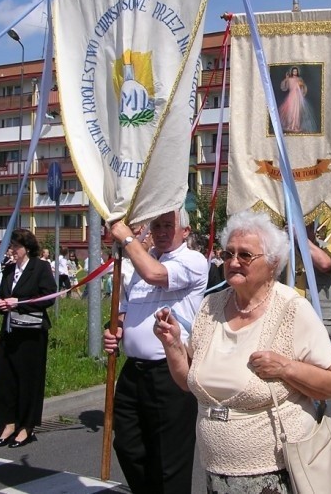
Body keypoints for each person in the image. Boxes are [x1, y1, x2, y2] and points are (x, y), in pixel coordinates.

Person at [152, 210, 331, 492]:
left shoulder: (292, 308)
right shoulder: (211, 306)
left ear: (272, 263)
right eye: (228, 253)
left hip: (275, 474)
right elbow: (188, 381)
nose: (233, 262)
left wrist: (285, 368)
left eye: (245, 255)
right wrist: (172, 345)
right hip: (216, 472)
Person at [104, 208, 208, 493]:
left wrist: (126, 237)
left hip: (170, 371)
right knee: (127, 444)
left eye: (168, 226)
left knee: (169, 458)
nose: (161, 232)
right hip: (133, 371)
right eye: (157, 226)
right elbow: (125, 311)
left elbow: (155, 275)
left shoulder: (193, 261)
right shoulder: (142, 264)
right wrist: (116, 331)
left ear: (185, 232)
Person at [0, 228, 57, 449]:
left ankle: (26, 426)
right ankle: (8, 423)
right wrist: (2, 303)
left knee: (29, 379)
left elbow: (48, 297)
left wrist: (20, 302)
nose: (12, 251)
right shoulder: (8, 270)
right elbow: (4, 295)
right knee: (6, 379)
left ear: (26, 248)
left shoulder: (40, 267)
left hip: (32, 335)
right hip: (10, 331)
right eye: (11, 246)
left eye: (16, 247)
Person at [278, 66, 316, 134]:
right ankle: (290, 125)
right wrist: (286, 79)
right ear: (291, 72)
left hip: (298, 97)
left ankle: (296, 126)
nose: (294, 72)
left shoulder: (299, 79)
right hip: (291, 96)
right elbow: (284, 87)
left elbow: (303, 88)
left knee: (297, 112)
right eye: (293, 71)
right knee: (290, 111)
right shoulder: (289, 79)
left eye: (296, 71)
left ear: (297, 72)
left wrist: (302, 85)